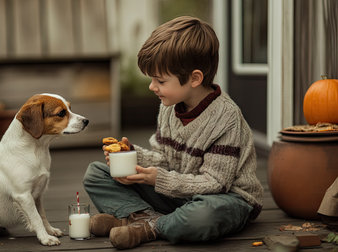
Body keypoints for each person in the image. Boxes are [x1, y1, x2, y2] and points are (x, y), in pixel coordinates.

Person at [83, 16, 264, 249]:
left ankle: (144, 224)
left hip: (227, 198)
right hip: (177, 193)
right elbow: (164, 158)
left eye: (160, 80)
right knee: (96, 174)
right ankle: (145, 220)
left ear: (194, 78)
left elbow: (216, 183)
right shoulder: (169, 107)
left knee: (204, 216)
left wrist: (158, 179)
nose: (152, 87)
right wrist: (133, 157)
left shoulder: (226, 118)